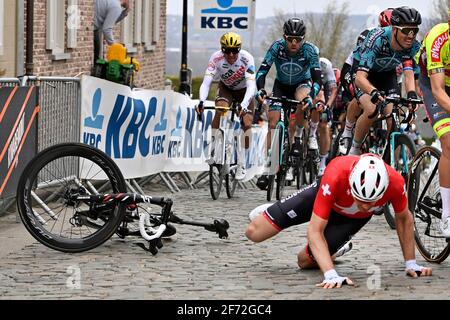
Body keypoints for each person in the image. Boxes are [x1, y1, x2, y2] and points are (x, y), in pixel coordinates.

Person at [246, 153, 432, 288]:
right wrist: (331, 274)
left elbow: (404, 220)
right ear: (351, 185)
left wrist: (411, 263)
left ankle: (336, 249)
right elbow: (314, 230)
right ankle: (277, 211)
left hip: (350, 219)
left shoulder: (396, 183)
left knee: (304, 261)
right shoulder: (336, 173)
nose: (366, 207)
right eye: (361, 199)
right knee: (253, 233)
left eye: (371, 202)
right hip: (322, 198)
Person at [255, 18, 322, 188]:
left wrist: (310, 96)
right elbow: (262, 71)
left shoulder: (310, 51)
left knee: (302, 100)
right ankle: (267, 166)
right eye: (290, 39)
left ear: (303, 39)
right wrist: (261, 89)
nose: (293, 43)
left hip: (301, 85)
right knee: (272, 122)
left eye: (298, 40)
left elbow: (317, 81)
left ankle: (298, 137)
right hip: (281, 85)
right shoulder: (277, 47)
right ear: (284, 37)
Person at [347, 6, 422, 156]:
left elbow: (409, 74)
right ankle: (354, 149)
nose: (411, 36)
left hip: (387, 75)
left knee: (393, 117)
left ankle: (392, 162)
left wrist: (413, 95)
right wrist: (373, 91)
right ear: (394, 29)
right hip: (365, 74)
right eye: (407, 31)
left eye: (415, 31)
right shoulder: (377, 38)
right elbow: (360, 78)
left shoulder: (413, 46)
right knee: (371, 109)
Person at [195, 32, 257, 180]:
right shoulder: (216, 58)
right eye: (226, 51)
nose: (230, 54)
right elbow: (206, 83)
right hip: (227, 88)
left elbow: (251, 85)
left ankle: (242, 163)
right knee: (220, 109)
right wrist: (201, 101)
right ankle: (215, 147)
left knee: (247, 124)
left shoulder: (246, 58)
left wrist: (243, 105)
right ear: (222, 50)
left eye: (234, 50)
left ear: (239, 49)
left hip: (244, 91)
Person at [338, 8, 394, 155]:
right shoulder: (370, 35)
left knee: (390, 109)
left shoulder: (399, 45)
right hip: (355, 69)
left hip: (378, 74)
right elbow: (360, 68)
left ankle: (389, 153)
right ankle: (347, 131)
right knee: (360, 100)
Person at [416, 9, 450, 237]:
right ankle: (447, 216)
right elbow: (438, 90)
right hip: (433, 83)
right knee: (449, 142)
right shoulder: (439, 37)